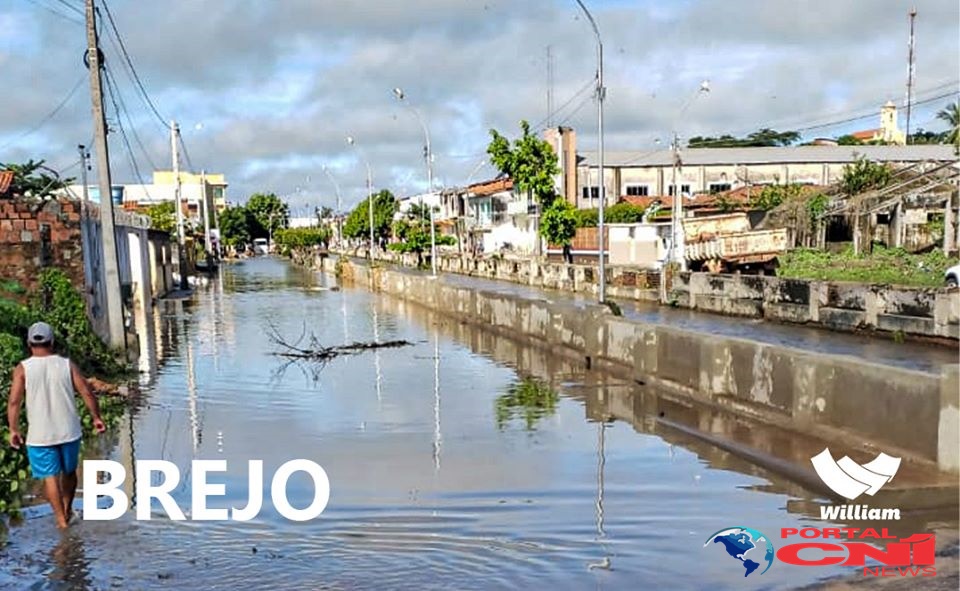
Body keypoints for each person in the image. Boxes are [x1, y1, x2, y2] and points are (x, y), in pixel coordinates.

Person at [6, 322, 106, 529]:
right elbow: (86, 392)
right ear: (52, 342)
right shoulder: (66, 364)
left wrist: (13, 429)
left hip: (40, 435)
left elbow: (14, 401)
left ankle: (61, 520)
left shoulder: (23, 368)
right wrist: (96, 417)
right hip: (69, 431)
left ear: (29, 343)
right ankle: (68, 509)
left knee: (49, 477)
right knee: (69, 472)